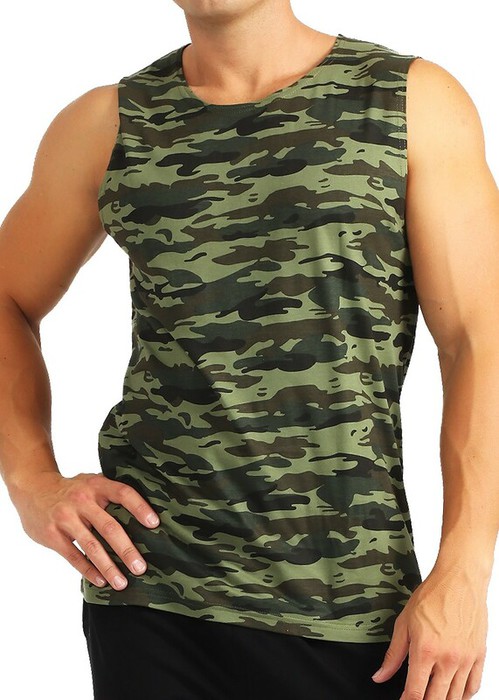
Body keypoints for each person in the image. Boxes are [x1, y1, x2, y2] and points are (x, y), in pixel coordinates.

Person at [0, 0, 497, 698]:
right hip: (151, 591)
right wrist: (30, 482)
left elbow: (478, 340)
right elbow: (8, 296)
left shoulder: (406, 100)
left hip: (350, 604)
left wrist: (465, 572)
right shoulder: (109, 123)